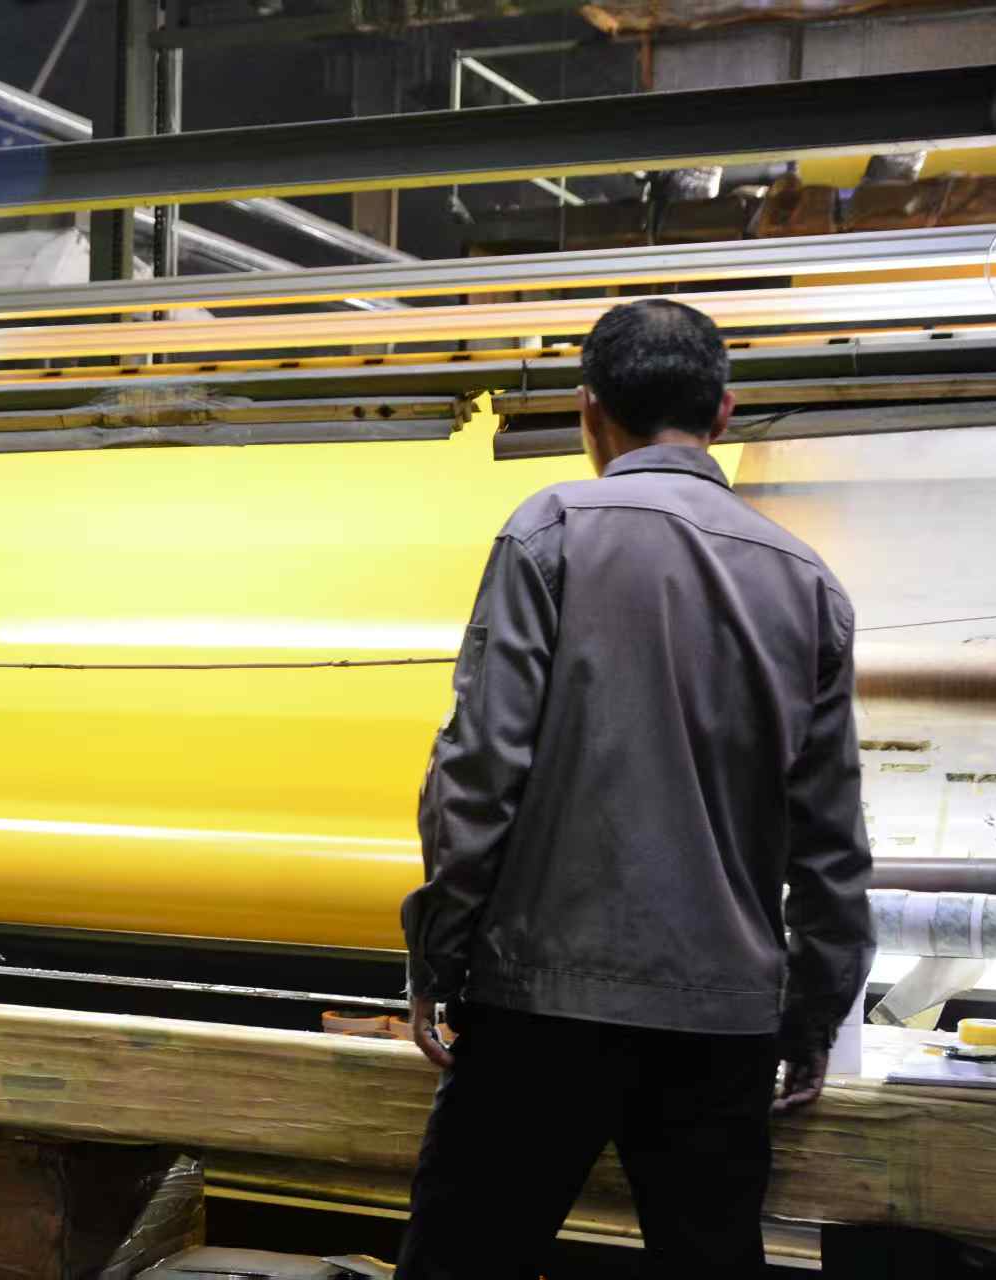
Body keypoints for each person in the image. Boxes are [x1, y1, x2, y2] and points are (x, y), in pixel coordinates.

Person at [397, 299, 874, 1278]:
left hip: (542, 1008)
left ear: (590, 411)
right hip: (722, 1026)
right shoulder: (808, 582)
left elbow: (481, 770)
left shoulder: (550, 533)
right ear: (723, 414)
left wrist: (437, 954)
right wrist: (813, 1014)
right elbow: (830, 836)